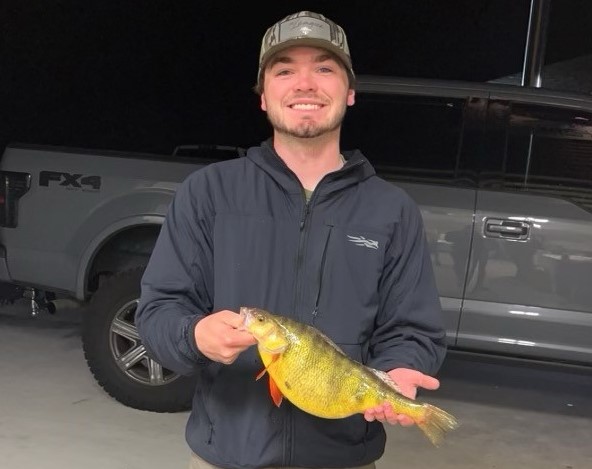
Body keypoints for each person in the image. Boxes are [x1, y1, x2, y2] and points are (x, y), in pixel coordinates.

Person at [135, 10, 447, 469]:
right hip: (225, 456)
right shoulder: (208, 193)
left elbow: (413, 329)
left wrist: (397, 368)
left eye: (324, 68)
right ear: (264, 97)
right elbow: (158, 313)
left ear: (350, 91)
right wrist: (194, 335)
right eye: (284, 71)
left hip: (346, 456)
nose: (305, 84)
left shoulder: (391, 210)